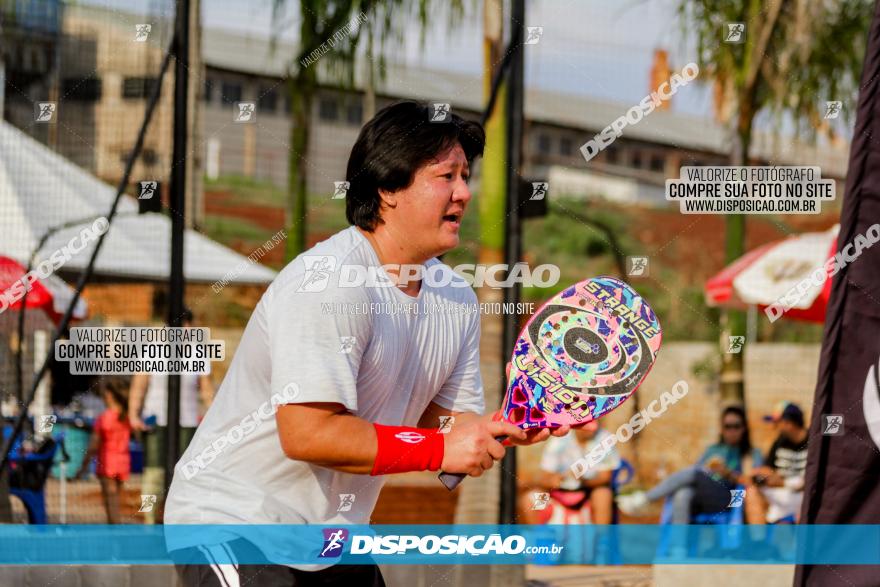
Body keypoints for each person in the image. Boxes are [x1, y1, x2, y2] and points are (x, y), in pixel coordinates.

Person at [164, 101, 575, 587]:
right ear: (387, 189)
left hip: (332, 541)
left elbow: (438, 420)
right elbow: (308, 433)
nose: (464, 194)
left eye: (466, 176)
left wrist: (502, 426)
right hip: (233, 520)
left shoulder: (457, 297)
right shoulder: (331, 283)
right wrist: (440, 449)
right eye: (446, 176)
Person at [128, 308, 214, 524]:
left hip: (187, 420)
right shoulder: (153, 349)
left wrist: (213, 417)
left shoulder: (197, 352)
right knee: (154, 473)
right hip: (156, 420)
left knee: (185, 472)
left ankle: (179, 520)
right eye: (180, 324)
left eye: (187, 325)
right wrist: (133, 414)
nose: (184, 329)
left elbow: (206, 389)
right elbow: (139, 385)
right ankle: (148, 520)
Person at [617, 405, 762, 523]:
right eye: (727, 426)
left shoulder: (751, 453)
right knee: (683, 493)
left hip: (731, 497)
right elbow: (699, 471)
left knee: (695, 473)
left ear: (744, 428)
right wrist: (709, 470)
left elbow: (753, 483)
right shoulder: (713, 449)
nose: (731, 431)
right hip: (704, 495)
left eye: (736, 426)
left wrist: (728, 474)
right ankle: (678, 549)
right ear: (722, 428)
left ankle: (645, 499)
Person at [521, 420, 620, 525]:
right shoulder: (559, 440)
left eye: (594, 422)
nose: (592, 428)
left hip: (589, 491)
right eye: (588, 423)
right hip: (559, 492)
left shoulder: (604, 438)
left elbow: (605, 478)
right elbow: (545, 476)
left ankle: (601, 538)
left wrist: (583, 481)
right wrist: (555, 480)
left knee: (603, 495)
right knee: (530, 499)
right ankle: (539, 535)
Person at [76, 376, 131, 524]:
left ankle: (115, 532)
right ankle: (116, 529)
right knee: (115, 499)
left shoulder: (104, 418)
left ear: (109, 395)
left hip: (107, 464)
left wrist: (83, 467)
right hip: (123, 463)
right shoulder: (127, 416)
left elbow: (93, 445)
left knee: (110, 501)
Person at [748, 401, 808, 523]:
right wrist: (763, 475)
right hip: (781, 492)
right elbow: (768, 468)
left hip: (804, 495)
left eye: (777, 422)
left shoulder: (815, 442)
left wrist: (784, 482)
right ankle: (758, 540)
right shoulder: (779, 442)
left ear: (789, 423)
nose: (773, 427)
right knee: (751, 492)